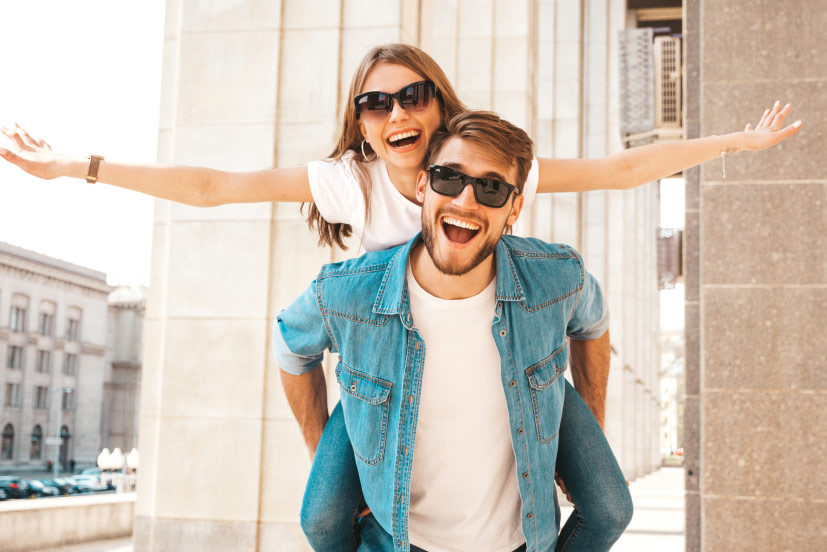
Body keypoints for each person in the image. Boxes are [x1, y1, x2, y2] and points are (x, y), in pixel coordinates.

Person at [0, 43, 800, 551]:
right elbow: (214, 186)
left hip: (507, 353)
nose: (394, 112)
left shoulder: (486, 172)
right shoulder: (348, 182)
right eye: (373, 103)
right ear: (361, 125)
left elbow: (621, 171)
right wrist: (81, 165)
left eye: (410, 94)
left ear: (439, 105)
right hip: (383, 377)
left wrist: (736, 143)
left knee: (607, 507)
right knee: (321, 519)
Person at [274, 110, 617, 551]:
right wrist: (323, 449)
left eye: (491, 188)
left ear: (515, 208)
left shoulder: (554, 279)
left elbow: (594, 323)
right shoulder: (348, 294)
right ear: (423, 187)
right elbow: (290, 346)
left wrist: (587, 435)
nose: (465, 201)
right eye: (448, 179)